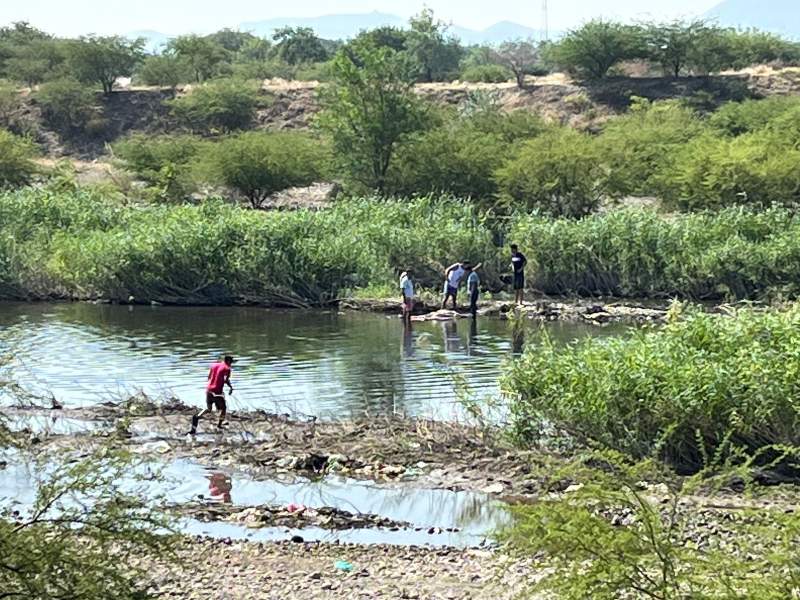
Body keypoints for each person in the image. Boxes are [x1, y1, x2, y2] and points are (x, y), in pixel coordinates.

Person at [189, 355, 234, 435]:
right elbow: (226, 380)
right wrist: (231, 388)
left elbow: (209, 377)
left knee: (208, 409)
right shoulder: (227, 368)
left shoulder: (214, 365)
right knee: (223, 408)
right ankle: (219, 425)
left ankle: (197, 417)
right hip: (217, 392)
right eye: (231, 363)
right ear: (228, 361)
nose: (231, 365)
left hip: (209, 390)